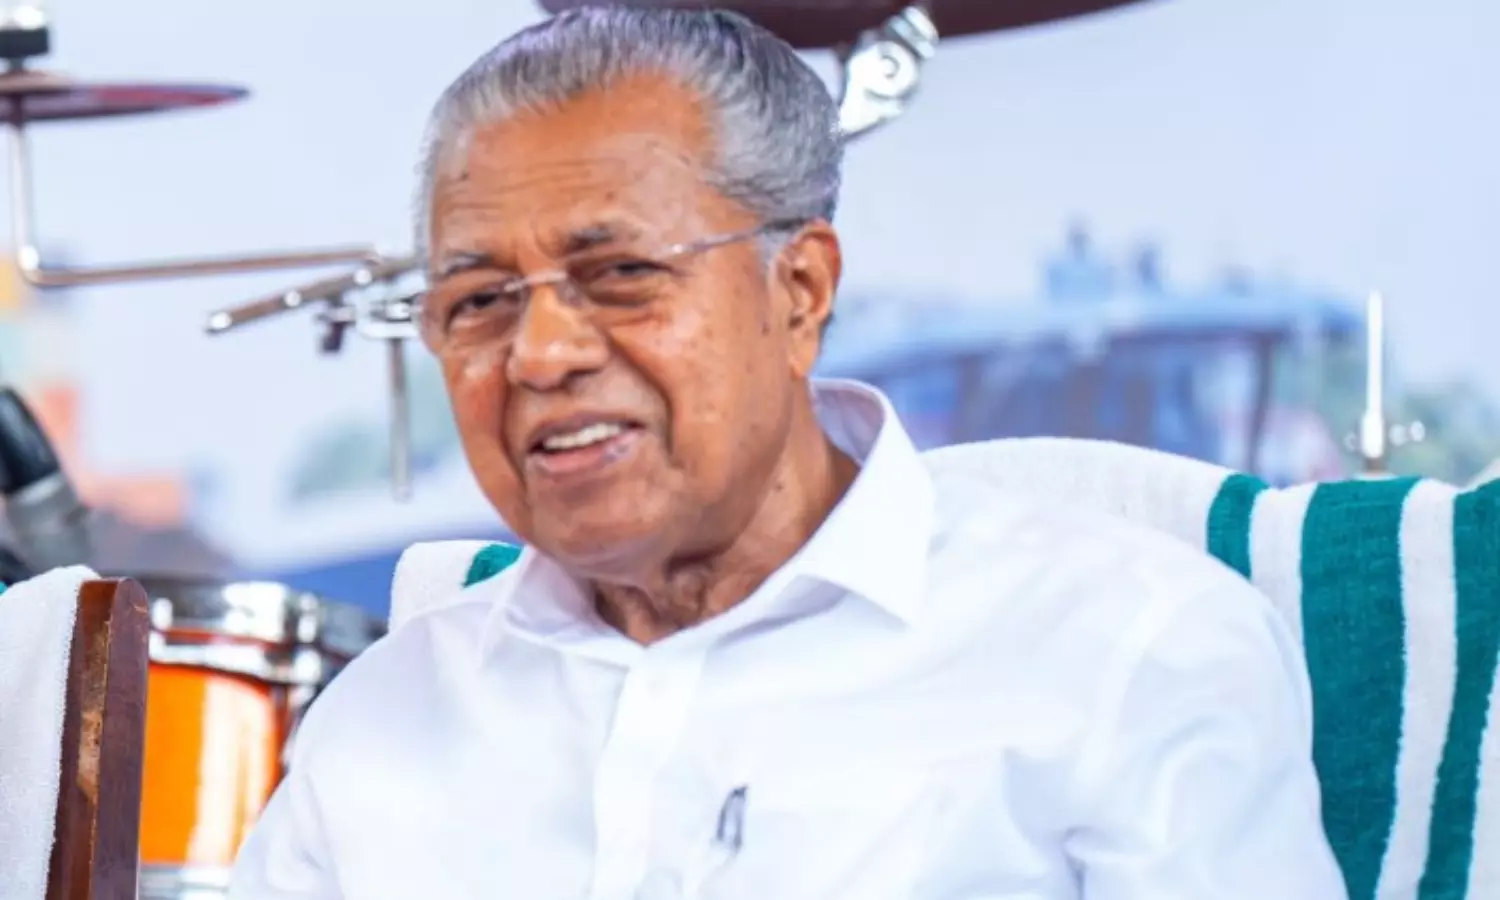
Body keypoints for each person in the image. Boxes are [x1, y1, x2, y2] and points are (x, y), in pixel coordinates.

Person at [229, 8, 1348, 899]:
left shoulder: (1127, 650)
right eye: (480, 300)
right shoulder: (384, 719)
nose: (542, 353)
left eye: (620, 275)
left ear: (799, 292)